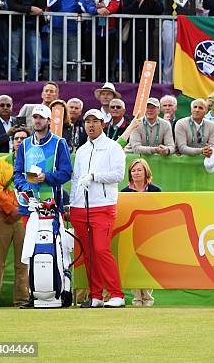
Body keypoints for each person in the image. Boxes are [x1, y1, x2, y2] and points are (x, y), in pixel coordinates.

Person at [70, 109, 126, 308]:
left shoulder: (113, 147)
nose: (91, 125)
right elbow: (76, 179)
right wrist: (73, 202)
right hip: (80, 208)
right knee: (88, 254)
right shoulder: (82, 150)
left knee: (101, 250)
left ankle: (116, 294)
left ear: (103, 124)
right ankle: (95, 296)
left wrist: (94, 176)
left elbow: (119, 175)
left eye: (95, 121)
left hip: (103, 206)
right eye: (88, 122)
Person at [0, 128, 30, 307]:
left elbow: (35, 189)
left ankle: (22, 299)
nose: (19, 141)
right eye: (16, 138)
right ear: (12, 142)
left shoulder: (33, 162)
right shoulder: (3, 161)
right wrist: (11, 210)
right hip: (4, 216)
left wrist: (19, 210)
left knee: (22, 261)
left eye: (23, 138)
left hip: (24, 217)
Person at [13, 104, 73, 228]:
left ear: (49, 121)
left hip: (52, 204)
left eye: (41, 117)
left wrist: (46, 177)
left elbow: (67, 173)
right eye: (35, 117)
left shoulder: (59, 143)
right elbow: (17, 173)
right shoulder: (24, 144)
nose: (37, 120)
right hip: (29, 205)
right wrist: (25, 187)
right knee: (30, 245)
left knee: (53, 245)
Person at [158, 0, 207, 84]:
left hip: (188, 22)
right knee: (170, 54)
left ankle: (187, 84)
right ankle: (168, 83)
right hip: (171, 20)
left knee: (187, 54)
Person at [120, 158, 160, 306]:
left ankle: (148, 298)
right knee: (133, 265)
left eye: (139, 170)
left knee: (147, 265)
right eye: (133, 170)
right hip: (131, 233)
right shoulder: (124, 192)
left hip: (150, 234)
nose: (136, 173)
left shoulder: (156, 190)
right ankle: (137, 298)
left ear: (146, 172)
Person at [7, 0, 47, 82]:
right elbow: (11, 4)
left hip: (33, 27)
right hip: (16, 26)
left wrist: (29, 9)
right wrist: (29, 9)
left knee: (37, 59)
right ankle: (13, 86)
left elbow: (41, 6)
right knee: (13, 59)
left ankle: (31, 85)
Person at [47, 0, 87, 81]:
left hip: (73, 32)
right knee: (55, 62)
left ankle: (74, 89)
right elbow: (51, 7)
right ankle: (53, 86)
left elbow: (84, 10)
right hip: (56, 30)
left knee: (74, 63)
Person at [124, 0, 163, 83]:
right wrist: (137, 1)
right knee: (132, 61)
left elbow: (160, 10)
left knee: (148, 61)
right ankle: (132, 84)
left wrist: (153, 0)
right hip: (133, 34)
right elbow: (126, 12)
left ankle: (147, 85)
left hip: (149, 33)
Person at [86, 0, 121, 82]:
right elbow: (89, 7)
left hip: (109, 30)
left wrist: (105, 10)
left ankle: (105, 83)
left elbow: (115, 6)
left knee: (108, 59)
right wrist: (97, 11)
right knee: (91, 58)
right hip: (92, 30)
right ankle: (90, 83)